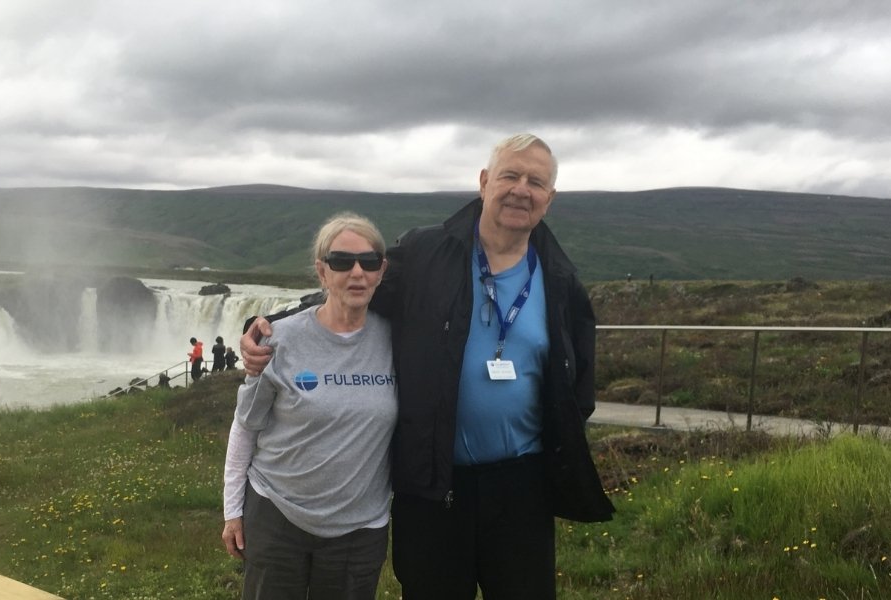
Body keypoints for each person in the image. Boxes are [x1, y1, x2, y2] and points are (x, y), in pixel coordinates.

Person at [242, 133, 615, 599]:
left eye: (536, 181)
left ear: (550, 198)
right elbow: (353, 287)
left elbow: (578, 376)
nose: (522, 189)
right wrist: (269, 326)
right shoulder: (424, 253)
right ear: (484, 182)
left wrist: (566, 431)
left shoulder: (559, 278)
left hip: (522, 484)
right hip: (433, 484)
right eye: (510, 176)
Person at [222, 213, 396, 599]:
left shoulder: (398, 340)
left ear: (381, 271)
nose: (356, 273)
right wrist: (233, 510)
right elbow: (245, 426)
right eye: (341, 262)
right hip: (278, 514)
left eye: (368, 263)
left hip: (359, 527)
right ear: (322, 271)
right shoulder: (278, 339)